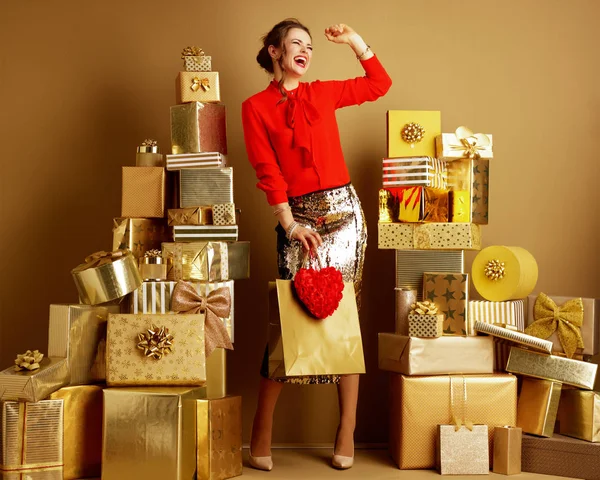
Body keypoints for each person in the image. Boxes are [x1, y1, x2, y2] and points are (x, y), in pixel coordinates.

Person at [241, 18, 392, 471]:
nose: (305, 51)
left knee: (347, 320)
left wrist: (353, 42)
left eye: (309, 45)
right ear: (274, 52)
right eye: (295, 44)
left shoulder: (323, 92)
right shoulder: (255, 107)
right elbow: (268, 172)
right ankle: (261, 433)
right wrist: (290, 226)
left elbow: (379, 83)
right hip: (297, 220)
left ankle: (345, 430)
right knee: (289, 324)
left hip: (345, 218)